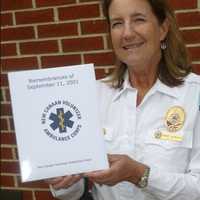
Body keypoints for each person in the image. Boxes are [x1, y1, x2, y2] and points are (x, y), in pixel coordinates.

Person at [46, 0, 200, 199]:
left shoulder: (194, 95)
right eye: (117, 23)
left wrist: (138, 174)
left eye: (138, 19)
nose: (127, 33)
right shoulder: (93, 94)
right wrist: (62, 180)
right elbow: (76, 192)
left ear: (163, 29)